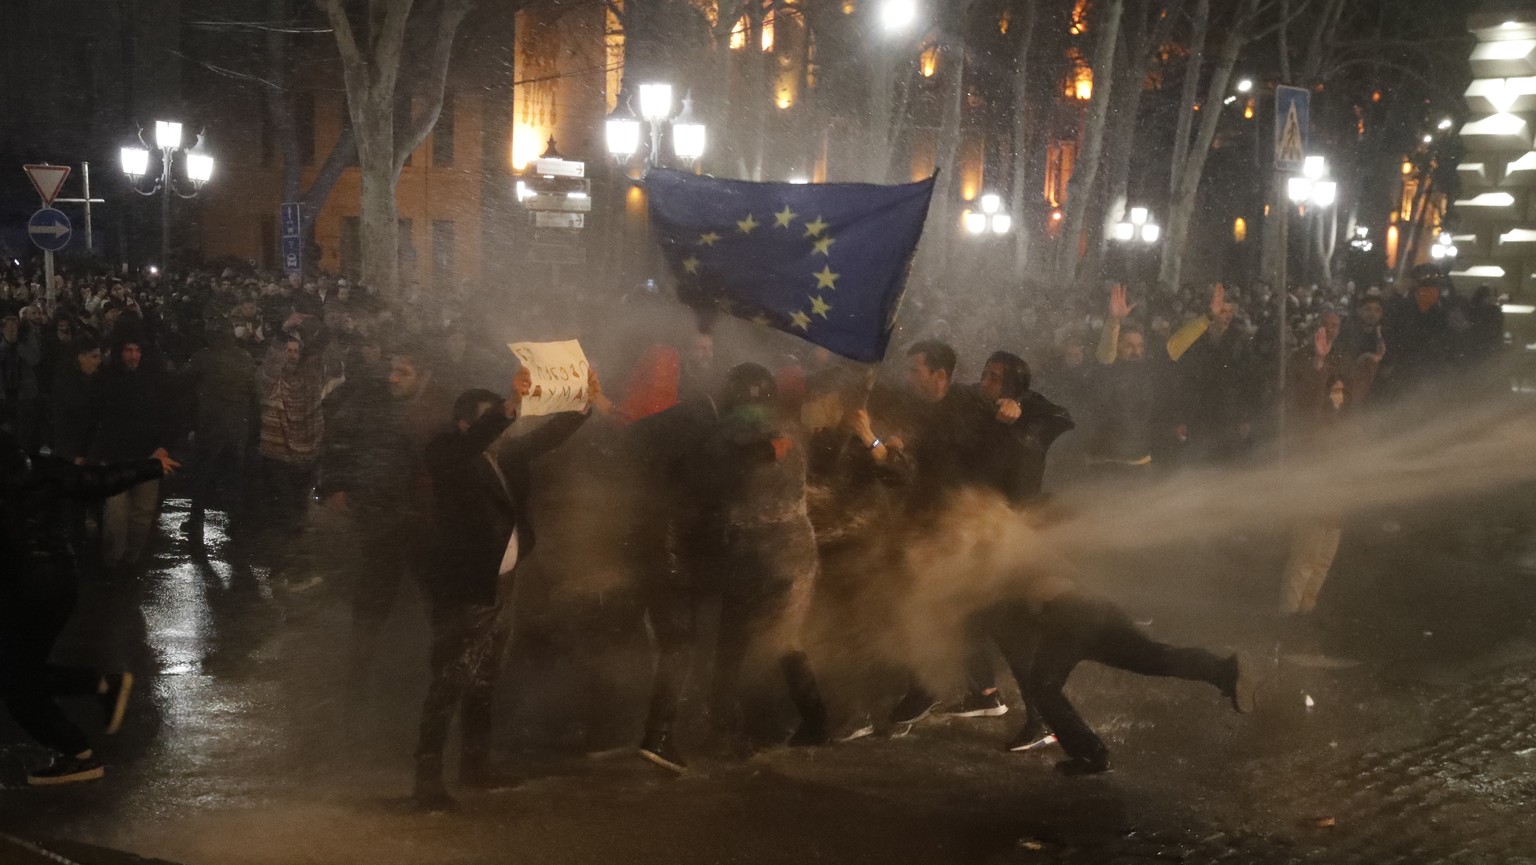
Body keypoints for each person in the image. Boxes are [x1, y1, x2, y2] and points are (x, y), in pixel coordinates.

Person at [412, 368, 596, 811]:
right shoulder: (449, 454)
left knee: (485, 676)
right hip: (465, 585)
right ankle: (427, 778)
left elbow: (545, 438)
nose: (507, 426)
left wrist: (582, 405)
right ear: (465, 424)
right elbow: (466, 446)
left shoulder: (502, 456)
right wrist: (507, 408)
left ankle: (476, 766)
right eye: (494, 418)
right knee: (450, 679)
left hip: (502, 583)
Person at [635, 363, 829, 773]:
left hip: (753, 552)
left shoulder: (728, 430)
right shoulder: (784, 430)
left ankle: (724, 724)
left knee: (733, 642)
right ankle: (807, 718)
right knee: (773, 637)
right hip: (782, 550)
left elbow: (716, 480)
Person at [0, 429, 178, 785]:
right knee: (21, 669)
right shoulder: (41, 467)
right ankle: (102, 686)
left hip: (25, 590)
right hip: (56, 584)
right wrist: (152, 467)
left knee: (17, 682)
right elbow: (97, 480)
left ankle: (78, 753)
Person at [93, 333, 172, 571]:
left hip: (146, 457)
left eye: (137, 350)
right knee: (115, 519)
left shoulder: (152, 381)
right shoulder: (106, 380)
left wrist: (163, 446)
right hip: (116, 460)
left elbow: (166, 415)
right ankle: (113, 563)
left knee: (142, 517)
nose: (133, 355)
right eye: (128, 350)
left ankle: (131, 561)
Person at [180, 318, 258, 543]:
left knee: (201, 475)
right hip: (237, 427)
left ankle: (196, 523)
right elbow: (254, 393)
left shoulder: (204, 357)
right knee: (233, 477)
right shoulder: (245, 358)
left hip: (211, 426)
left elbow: (182, 379)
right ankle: (235, 523)